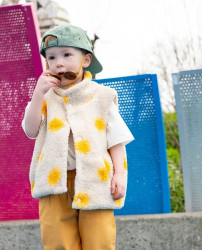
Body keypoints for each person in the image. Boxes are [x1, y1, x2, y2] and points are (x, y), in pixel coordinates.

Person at [21, 24, 134, 250]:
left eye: (67, 54)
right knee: (57, 241)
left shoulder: (102, 96)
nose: (59, 62)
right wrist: (37, 95)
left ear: (86, 60)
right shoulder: (44, 98)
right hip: (54, 182)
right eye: (51, 57)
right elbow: (30, 130)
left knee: (99, 239)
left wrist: (119, 175)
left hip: (96, 180)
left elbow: (116, 139)